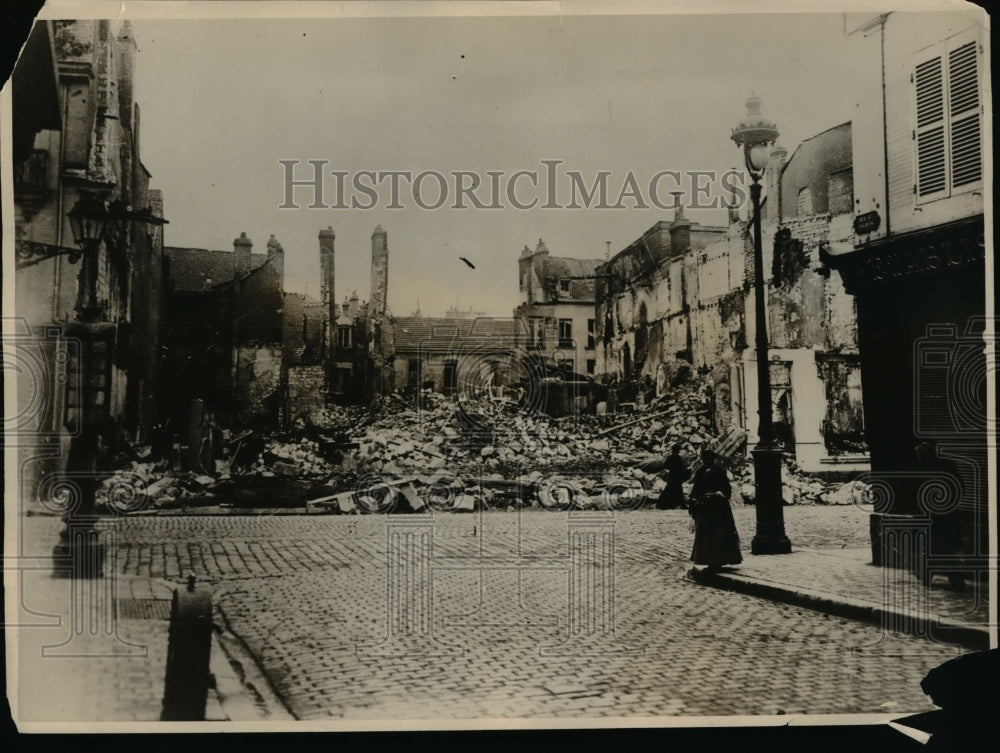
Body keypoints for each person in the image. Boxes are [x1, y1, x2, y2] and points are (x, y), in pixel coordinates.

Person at [914, 441, 965, 592]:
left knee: (938, 546)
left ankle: (951, 580)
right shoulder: (947, 465)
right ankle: (949, 580)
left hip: (936, 514)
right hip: (944, 514)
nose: (920, 457)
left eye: (921, 453)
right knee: (941, 546)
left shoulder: (923, 468)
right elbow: (961, 487)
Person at [688, 448, 742, 571]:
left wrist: (720, 494)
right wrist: (693, 508)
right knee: (706, 534)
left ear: (714, 460)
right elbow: (696, 491)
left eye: (710, 460)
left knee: (719, 533)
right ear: (702, 460)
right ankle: (708, 559)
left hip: (719, 508)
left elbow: (727, 490)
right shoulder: (700, 473)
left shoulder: (720, 472)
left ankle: (719, 560)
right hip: (705, 507)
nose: (707, 462)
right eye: (705, 460)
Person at [656, 443, 689, 510]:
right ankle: (679, 504)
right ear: (678, 450)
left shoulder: (670, 457)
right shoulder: (678, 458)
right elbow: (682, 467)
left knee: (669, 489)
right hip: (677, 476)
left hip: (671, 475)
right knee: (678, 490)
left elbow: (665, 466)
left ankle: (662, 504)